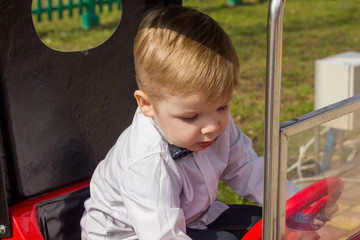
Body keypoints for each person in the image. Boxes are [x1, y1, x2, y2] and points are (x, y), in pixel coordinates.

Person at [80, 5, 334, 240]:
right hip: (134, 234)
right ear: (147, 105)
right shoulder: (148, 164)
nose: (212, 126)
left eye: (222, 106)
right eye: (191, 117)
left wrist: (294, 201)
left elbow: (246, 168)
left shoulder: (212, 122)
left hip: (194, 217)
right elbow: (163, 235)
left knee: (272, 224)